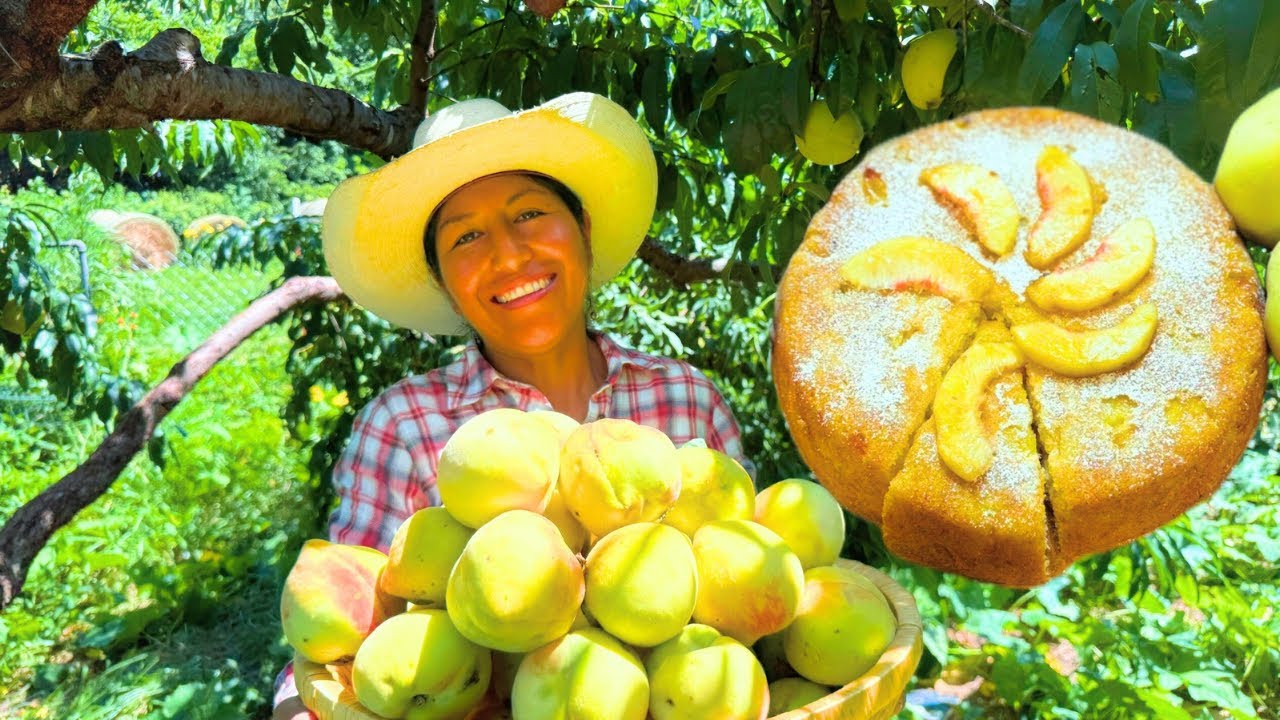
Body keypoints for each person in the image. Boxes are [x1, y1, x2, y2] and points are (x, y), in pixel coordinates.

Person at [272, 92, 755, 719]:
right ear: (443, 280)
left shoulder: (687, 401)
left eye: (528, 214)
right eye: (466, 236)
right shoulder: (407, 427)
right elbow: (345, 631)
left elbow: (745, 593)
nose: (506, 255)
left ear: (581, 228)